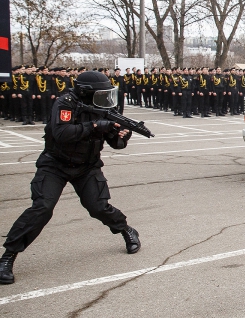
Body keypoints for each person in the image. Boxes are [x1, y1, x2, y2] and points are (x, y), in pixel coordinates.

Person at [0, 71, 141, 285]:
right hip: (55, 164)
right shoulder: (65, 104)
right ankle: (8, 256)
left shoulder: (105, 107)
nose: (105, 97)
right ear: (86, 93)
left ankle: (126, 229)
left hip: (87, 166)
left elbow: (116, 144)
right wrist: (94, 126)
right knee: (42, 208)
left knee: (98, 207)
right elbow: (62, 133)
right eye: (100, 93)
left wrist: (122, 135)